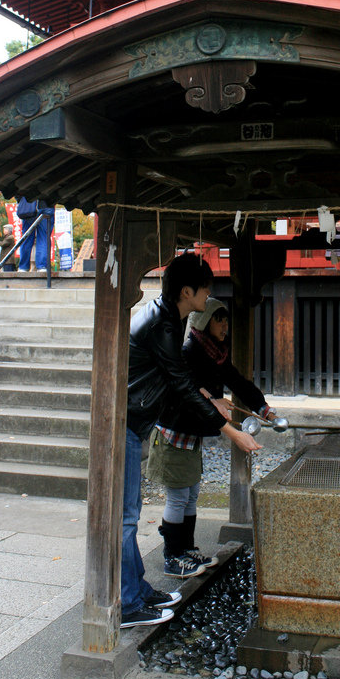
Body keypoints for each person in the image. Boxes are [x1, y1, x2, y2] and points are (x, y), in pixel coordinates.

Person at [121, 253, 261, 630]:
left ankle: (137, 590)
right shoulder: (165, 326)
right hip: (126, 423)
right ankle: (126, 603)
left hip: (137, 421)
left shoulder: (169, 317)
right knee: (126, 520)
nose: (210, 294)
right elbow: (181, 385)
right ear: (187, 292)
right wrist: (231, 431)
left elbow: (181, 379)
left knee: (131, 517)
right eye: (205, 289)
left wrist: (217, 402)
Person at [147, 297, 277, 577]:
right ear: (204, 322)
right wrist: (212, 399)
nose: (225, 325)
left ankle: (187, 548)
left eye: (226, 319)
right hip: (173, 432)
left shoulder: (215, 353)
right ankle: (173, 556)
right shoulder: (187, 351)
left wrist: (263, 408)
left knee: (191, 493)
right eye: (219, 319)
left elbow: (238, 381)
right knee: (178, 497)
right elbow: (184, 388)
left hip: (190, 434)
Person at [16, 197, 55, 272]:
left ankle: (23, 267)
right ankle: (42, 266)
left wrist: (20, 200)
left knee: (26, 238)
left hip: (29, 206)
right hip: (47, 205)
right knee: (44, 238)